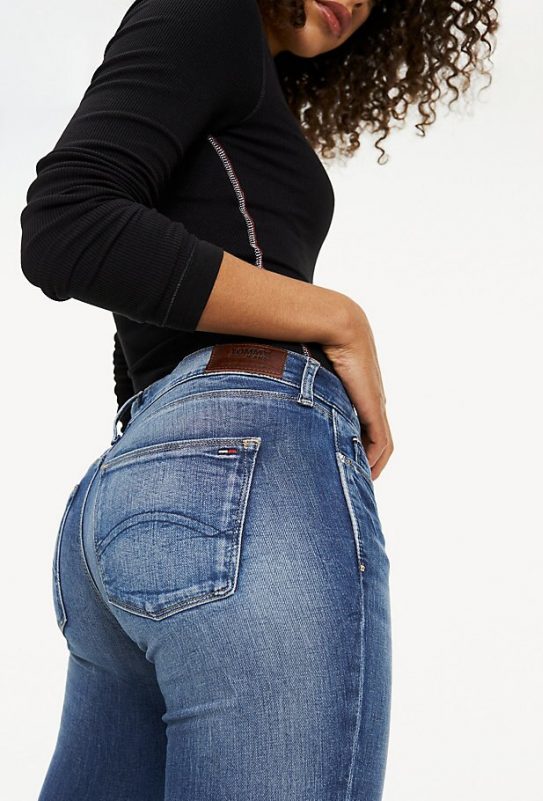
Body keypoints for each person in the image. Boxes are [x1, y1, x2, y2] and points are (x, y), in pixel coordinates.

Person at [20, 1, 498, 798]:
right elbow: (67, 224)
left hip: (135, 507)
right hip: (236, 467)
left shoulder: (229, 58)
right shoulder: (211, 13)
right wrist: (338, 318)